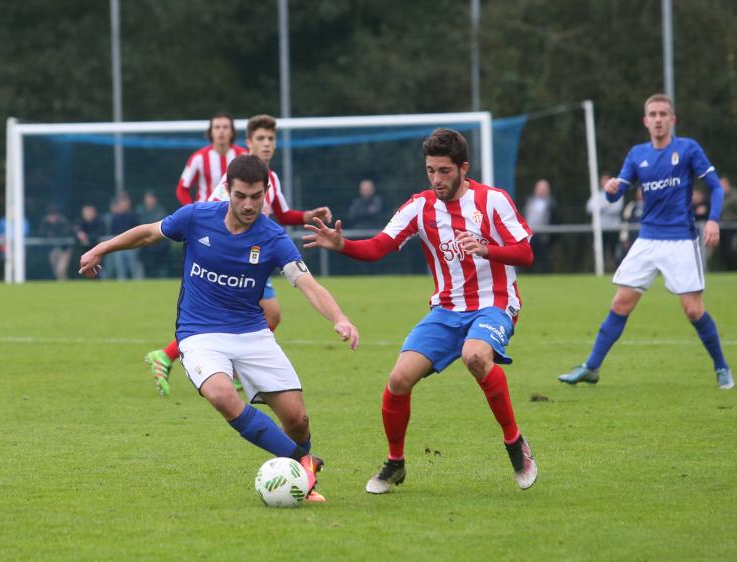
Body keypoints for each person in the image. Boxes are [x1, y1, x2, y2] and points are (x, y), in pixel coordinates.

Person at [79, 154, 359, 503]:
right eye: (240, 195)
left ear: (265, 192)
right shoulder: (197, 217)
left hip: (252, 333)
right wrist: (101, 249)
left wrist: (339, 318)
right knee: (222, 396)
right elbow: (149, 234)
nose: (247, 203)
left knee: (298, 419)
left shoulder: (272, 237)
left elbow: (306, 283)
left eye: (256, 196)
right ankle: (303, 466)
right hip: (200, 333)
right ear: (227, 189)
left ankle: (301, 475)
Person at [304, 128, 538, 493]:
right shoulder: (420, 207)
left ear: (463, 168)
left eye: (444, 170)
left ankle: (514, 444)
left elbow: (525, 253)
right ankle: (395, 464)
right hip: (445, 310)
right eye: (431, 170)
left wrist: (486, 249)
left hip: (494, 303)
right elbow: (379, 247)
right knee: (398, 380)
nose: (436, 179)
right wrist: (342, 245)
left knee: (474, 355)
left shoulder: (492, 201)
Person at [144, 114, 332, 395]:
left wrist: (308, 214)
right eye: (261, 139)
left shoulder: (271, 179)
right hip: (233, 257)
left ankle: (198, 360)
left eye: (271, 139)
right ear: (248, 142)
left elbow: (280, 213)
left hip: (256, 254)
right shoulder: (235, 178)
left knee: (272, 314)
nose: (267, 144)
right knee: (257, 314)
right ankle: (208, 362)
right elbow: (218, 214)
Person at [558, 93, 735, 390]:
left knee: (693, 310)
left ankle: (721, 367)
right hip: (648, 239)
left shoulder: (688, 149)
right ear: (645, 121)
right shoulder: (637, 154)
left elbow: (716, 187)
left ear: (672, 119)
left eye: (663, 114)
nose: (658, 119)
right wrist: (612, 187)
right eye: (652, 114)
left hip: (681, 239)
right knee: (621, 303)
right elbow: (616, 193)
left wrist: (714, 219)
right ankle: (591, 367)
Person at [175, 112, 247, 205]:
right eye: (217, 127)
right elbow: (182, 189)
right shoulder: (198, 158)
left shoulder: (244, 156)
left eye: (225, 127)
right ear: (211, 132)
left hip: (236, 213)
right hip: (206, 213)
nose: (221, 131)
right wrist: (193, 210)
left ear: (232, 131)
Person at [587, 173, 624, 271]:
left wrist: (601, 208)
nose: (604, 182)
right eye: (603, 180)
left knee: (615, 253)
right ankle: (600, 270)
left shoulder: (617, 193)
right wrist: (606, 206)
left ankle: (618, 271)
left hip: (613, 229)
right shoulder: (597, 195)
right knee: (600, 252)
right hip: (600, 230)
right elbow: (589, 208)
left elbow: (616, 209)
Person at [523, 179, 557, 273]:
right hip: (530, 235)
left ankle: (543, 274)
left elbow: (554, 219)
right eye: (539, 188)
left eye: (544, 188)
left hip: (544, 235)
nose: (541, 190)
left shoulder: (551, 203)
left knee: (543, 258)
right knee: (529, 257)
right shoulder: (529, 201)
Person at [107, 193, 143, 280]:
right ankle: (122, 283)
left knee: (134, 267)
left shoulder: (134, 216)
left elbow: (139, 230)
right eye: (122, 202)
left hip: (132, 246)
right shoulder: (115, 217)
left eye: (125, 202)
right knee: (120, 269)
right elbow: (113, 232)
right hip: (119, 246)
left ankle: (138, 283)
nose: (124, 204)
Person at [136, 191, 171, 277]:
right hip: (145, 246)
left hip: (159, 246)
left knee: (161, 268)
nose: (149, 200)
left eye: (151, 198)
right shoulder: (139, 211)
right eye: (147, 198)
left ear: (155, 200)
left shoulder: (161, 211)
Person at [717, 176, 737, 271]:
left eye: (722, 185)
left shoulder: (736, 196)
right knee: (723, 252)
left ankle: (736, 270)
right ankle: (728, 271)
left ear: (727, 185)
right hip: (722, 229)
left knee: (731, 251)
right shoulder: (719, 196)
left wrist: (730, 220)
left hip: (732, 229)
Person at [38, 204, 74, 280]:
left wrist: (53, 233)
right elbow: (41, 234)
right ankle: (61, 286)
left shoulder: (63, 222)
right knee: (56, 271)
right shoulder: (45, 223)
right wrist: (46, 225)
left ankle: (64, 286)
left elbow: (66, 234)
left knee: (60, 270)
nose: (51, 218)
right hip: (54, 250)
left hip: (65, 250)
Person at [618, 186, 644, 259]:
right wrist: (624, 239)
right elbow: (625, 223)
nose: (640, 193)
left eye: (642, 191)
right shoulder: (631, 206)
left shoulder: (650, 206)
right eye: (639, 191)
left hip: (647, 238)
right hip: (633, 239)